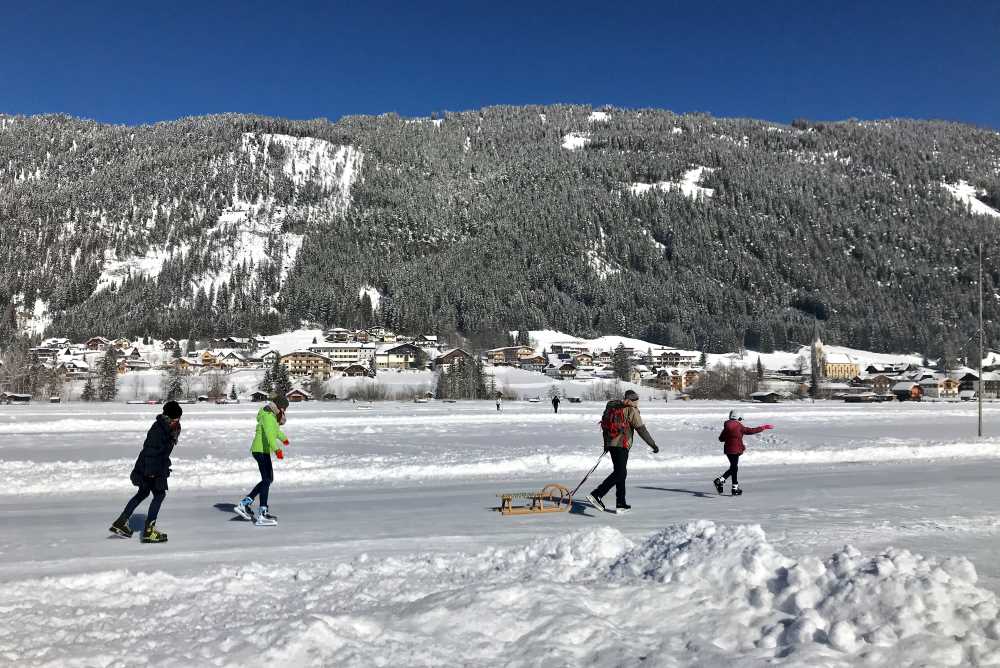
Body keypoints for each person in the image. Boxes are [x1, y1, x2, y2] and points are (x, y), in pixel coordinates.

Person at [109, 401, 183, 543]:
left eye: (179, 418)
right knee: (159, 495)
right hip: (151, 467)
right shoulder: (159, 429)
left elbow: (162, 451)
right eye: (176, 418)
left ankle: (120, 522)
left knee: (143, 493)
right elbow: (150, 451)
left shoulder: (169, 428)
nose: (178, 420)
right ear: (169, 416)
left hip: (153, 466)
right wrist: (151, 471)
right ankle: (149, 531)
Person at [586, 389, 659, 514]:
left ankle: (621, 503)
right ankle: (597, 494)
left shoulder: (612, 407)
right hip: (622, 444)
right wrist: (653, 445)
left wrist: (606, 445)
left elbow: (604, 427)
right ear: (634, 400)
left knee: (621, 473)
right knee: (620, 473)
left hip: (611, 444)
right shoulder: (631, 409)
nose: (637, 403)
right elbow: (641, 429)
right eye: (636, 400)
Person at [234, 396, 289, 525]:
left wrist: (284, 438)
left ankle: (245, 503)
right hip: (260, 450)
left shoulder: (270, 415)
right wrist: (277, 450)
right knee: (266, 480)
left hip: (262, 450)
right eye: (284, 408)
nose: (285, 411)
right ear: (280, 407)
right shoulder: (268, 416)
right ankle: (261, 513)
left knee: (268, 479)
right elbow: (270, 436)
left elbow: (275, 432)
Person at [713, 409, 773, 496]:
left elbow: (721, 439)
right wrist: (763, 427)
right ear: (738, 417)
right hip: (736, 449)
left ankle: (728, 484)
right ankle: (725, 483)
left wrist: (728, 436)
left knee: (734, 468)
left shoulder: (726, 427)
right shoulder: (739, 426)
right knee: (734, 468)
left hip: (728, 450)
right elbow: (751, 431)